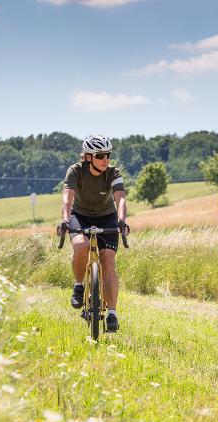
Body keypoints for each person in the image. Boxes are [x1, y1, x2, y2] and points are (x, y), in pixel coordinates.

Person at [58, 134, 129, 332]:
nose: (105, 159)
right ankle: (79, 285)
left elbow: (121, 198)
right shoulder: (75, 171)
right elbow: (67, 199)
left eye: (108, 154)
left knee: (108, 260)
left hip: (107, 217)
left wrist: (122, 220)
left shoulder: (113, 173)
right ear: (88, 157)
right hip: (80, 216)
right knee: (81, 246)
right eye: (100, 155)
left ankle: (112, 314)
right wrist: (65, 220)